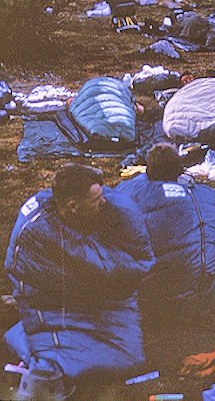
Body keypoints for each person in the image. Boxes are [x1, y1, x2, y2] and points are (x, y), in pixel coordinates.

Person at [3, 163, 154, 396]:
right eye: (96, 199)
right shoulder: (39, 230)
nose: (104, 202)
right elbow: (99, 267)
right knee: (64, 360)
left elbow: (131, 262)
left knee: (130, 356)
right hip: (47, 302)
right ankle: (31, 348)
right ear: (73, 206)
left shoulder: (98, 207)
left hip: (86, 299)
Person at [115, 142, 215, 325]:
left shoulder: (131, 191)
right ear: (180, 170)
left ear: (148, 171)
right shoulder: (207, 195)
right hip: (201, 303)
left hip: (149, 309)